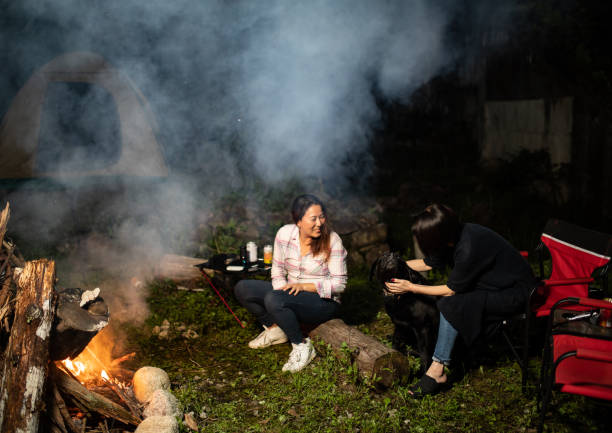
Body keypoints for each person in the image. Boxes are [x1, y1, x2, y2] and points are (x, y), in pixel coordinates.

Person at [385, 203, 536, 397]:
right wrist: (394, 266)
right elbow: (427, 263)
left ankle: (436, 371)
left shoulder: (469, 246)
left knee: (451, 304)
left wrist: (410, 287)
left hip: (515, 292)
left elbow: (450, 290)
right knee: (451, 303)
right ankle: (453, 351)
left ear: (437, 236)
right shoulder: (452, 235)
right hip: (491, 285)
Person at [234, 194, 347, 373]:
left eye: (322, 216)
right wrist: (280, 297)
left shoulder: (332, 241)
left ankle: (301, 345)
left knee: (274, 299)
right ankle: (276, 329)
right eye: (313, 219)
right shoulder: (285, 234)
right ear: (299, 221)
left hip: (323, 301)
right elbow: (277, 270)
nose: (320, 223)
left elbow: (340, 284)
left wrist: (304, 287)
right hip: (291, 294)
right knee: (243, 288)